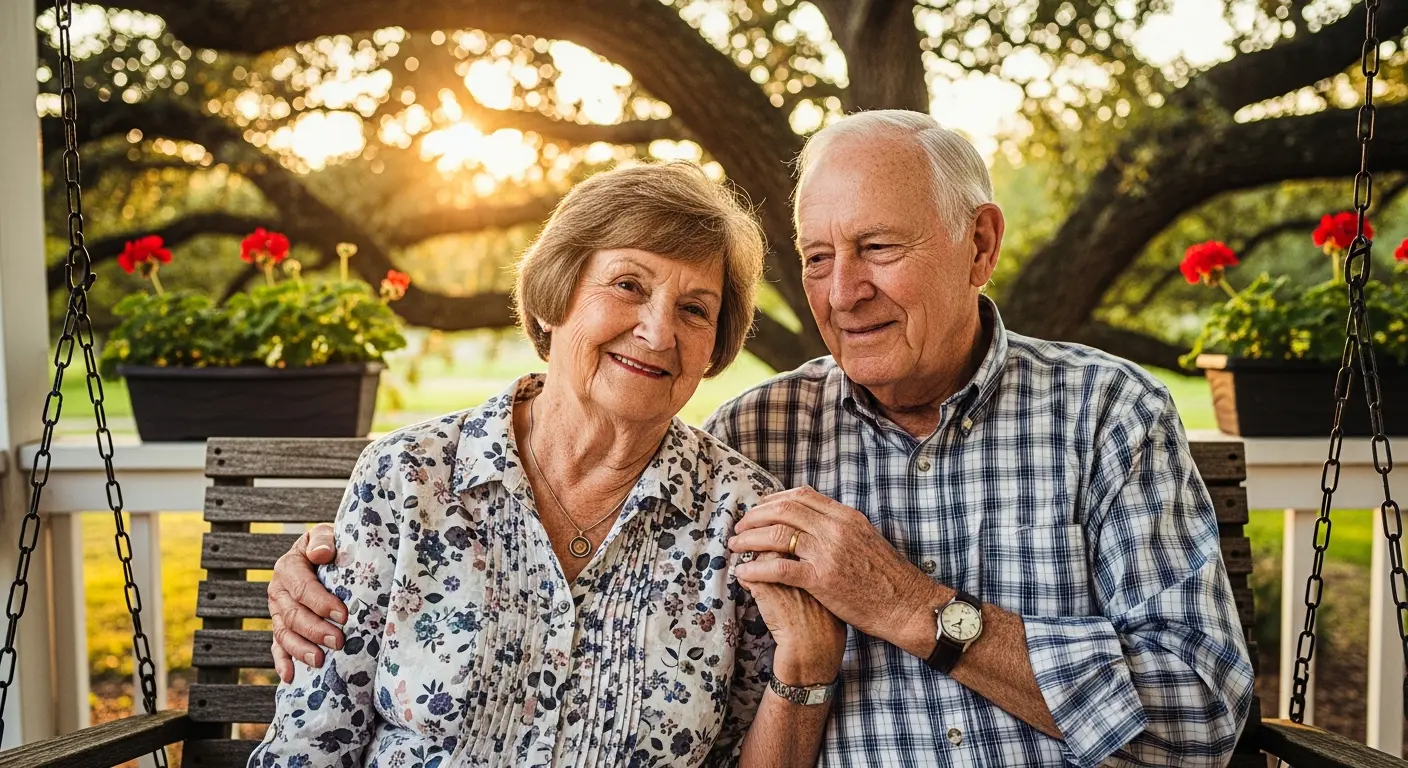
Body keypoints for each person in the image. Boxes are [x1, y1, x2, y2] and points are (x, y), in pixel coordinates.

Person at [268, 111, 1256, 767]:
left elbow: (1204, 717)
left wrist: (916, 610)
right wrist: (316, 563)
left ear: (980, 245)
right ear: (555, 295)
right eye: (819, 257)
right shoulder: (753, 441)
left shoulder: (1104, 417)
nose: (840, 292)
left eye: (877, 247)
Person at [248, 161, 847, 768]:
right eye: (628, 286)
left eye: (695, 310)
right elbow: (311, 744)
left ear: (715, 345)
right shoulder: (408, 478)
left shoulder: (740, 518)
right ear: (555, 297)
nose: (658, 331)